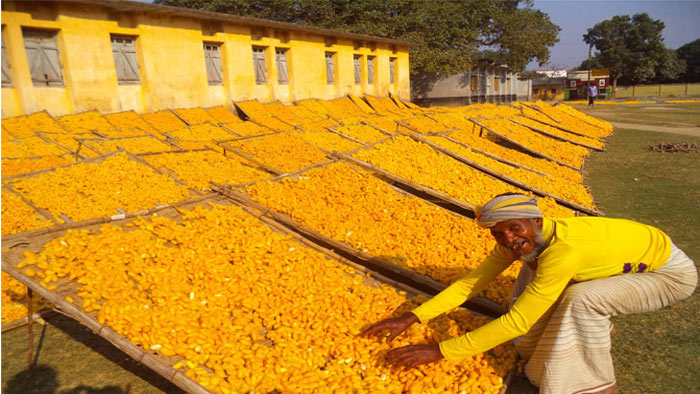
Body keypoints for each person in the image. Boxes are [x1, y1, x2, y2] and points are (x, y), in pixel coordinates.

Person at [362, 193, 697, 394]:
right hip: (624, 263)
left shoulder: (565, 250)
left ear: (535, 220)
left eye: (515, 228)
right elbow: (469, 284)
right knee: (531, 266)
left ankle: (596, 384)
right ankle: (582, 334)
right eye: (499, 234)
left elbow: (519, 321)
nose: (509, 239)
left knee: (579, 300)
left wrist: (441, 351)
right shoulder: (524, 241)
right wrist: (412, 316)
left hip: (669, 275)